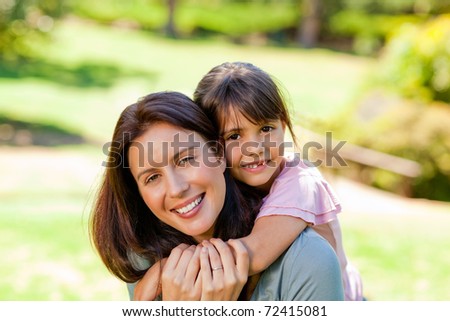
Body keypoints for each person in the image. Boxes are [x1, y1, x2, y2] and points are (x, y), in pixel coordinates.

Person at [91, 91, 344, 300]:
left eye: (186, 159)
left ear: (219, 154)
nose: (176, 188)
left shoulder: (308, 259)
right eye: (152, 177)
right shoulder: (145, 251)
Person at [192, 61, 363, 301]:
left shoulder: (301, 183)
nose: (255, 148)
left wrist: (164, 270)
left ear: (283, 126)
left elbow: (255, 254)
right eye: (234, 136)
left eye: (266, 129)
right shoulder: (223, 181)